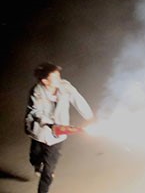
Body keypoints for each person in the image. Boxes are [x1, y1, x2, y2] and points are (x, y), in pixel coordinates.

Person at [24, 62, 94, 193]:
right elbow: (36, 112)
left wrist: (90, 117)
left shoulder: (65, 86)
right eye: (55, 78)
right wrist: (51, 124)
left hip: (57, 136)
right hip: (40, 132)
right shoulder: (36, 92)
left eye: (59, 76)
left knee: (49, 171)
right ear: (45, 81)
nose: (59, 80)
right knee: (35, 155)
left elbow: (78, 100)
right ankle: (37, 165)